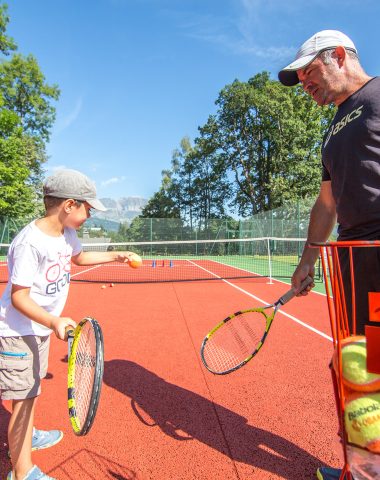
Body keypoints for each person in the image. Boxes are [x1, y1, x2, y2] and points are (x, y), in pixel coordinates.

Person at [278, 29, 380, 480]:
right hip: (355, 260)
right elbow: (326, 204)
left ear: (339, 56)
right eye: (299, 79)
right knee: (357, 366)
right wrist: (307, 261)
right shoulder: (333, 128)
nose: (305, 84)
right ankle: (364, 471)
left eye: (309, 72)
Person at [0, 169, 137, 480]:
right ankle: (21, 472)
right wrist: (53, 320)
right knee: (21, 401)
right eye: (88, 209)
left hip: (38, 331)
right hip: (17, 333)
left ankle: (27, 436)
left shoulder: (67, 235)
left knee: (31, 392)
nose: (90, 215)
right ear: (69, 205)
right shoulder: (29, 243)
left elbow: (79, 259)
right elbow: (19, 296)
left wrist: (115, 255)